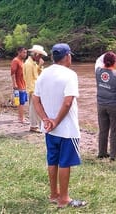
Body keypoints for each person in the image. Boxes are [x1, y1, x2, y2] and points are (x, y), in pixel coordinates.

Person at [33, 43, 86, 208]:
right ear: (68, 56)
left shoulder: (44, 74)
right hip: (67, 129)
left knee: (52, 160)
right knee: (65, 163)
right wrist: (56, 120)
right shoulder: (70, 75)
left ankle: (53, 194)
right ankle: (64, 199)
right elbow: (68, 101)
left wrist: (45, 119)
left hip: (49, 129)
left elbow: (35, 99)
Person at [95, 51, 116, 161]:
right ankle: (115, 155)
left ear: (104, 61)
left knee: (103, 130)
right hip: (115, 106)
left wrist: (107, 54)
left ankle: (102, 153)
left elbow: (98, 60)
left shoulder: (98, 71)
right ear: (114, 62)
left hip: (101, 105)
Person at [23, 45, 47, 133]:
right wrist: (34, 92)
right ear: (36, 54)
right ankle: (33, 126)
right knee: (33, 108)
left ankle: (37, 125)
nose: (40, 57)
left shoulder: (33, 63)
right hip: (33, 90)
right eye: (40, 55)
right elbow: (29, 80)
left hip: (36, 89)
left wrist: (40, 66)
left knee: (36, 107)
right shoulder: (29, 64)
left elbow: (38, 74)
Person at [10, 46, 28, 123]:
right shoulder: (15, 61)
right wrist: (14, 84)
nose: (25, 54)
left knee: (22, 101)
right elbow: (12, 73)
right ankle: (21, 118)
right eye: (24, 52)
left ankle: (20, 117)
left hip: (23, 84)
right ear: (19, 52)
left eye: (26, 52)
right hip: (19, 85)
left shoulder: (22, 61)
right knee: (21, 102)